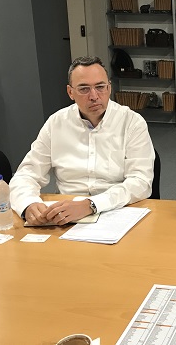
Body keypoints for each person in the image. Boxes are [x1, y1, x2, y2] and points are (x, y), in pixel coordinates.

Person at [10, 56, 155, 226]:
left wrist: (91, 205)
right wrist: (28, 204)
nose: (94, 96)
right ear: (70, 92)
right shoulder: (56, 123)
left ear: (109, 88)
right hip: (64, 216)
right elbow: (26, 174)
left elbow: (140, 182)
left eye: (100, 87)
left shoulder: (132, 122)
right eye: (84, 89)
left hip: (115, 211)